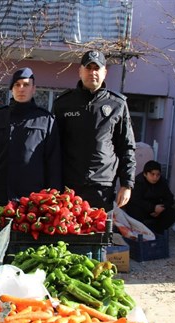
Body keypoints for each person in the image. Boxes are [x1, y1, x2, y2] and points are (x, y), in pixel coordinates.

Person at [52, 50, 136, 212]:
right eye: (88, 68)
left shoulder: (117, 104)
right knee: (68, 235)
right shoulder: (63, 103)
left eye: (97, 68)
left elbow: (127, 147)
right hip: (70, 185)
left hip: (102, 186)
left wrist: (127, 184)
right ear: (80, 71)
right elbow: (53, 147)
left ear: (105, 72)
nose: (92, 73)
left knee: (98, 235)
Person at [0, 67, 62, 205]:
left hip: (32, 200)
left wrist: (52, 200)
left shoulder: (46, 121)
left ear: (34, 89)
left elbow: (53, 165)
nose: (21, 89)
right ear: (12, 89)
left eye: (26, 84)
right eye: (17, 85)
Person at [124, 160, 175, 234]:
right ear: (145, 174)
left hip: (157, 209)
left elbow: (170, 198)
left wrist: (162, 208)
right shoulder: (138, 182)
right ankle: (139, 232)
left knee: (172, 213)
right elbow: (136, 200)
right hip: (142, 209)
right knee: (134, 210)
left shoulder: (162, 182)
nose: (155, 177)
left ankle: (157, 232)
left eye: (157, 175)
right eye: (152, 174)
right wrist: (152, 208)